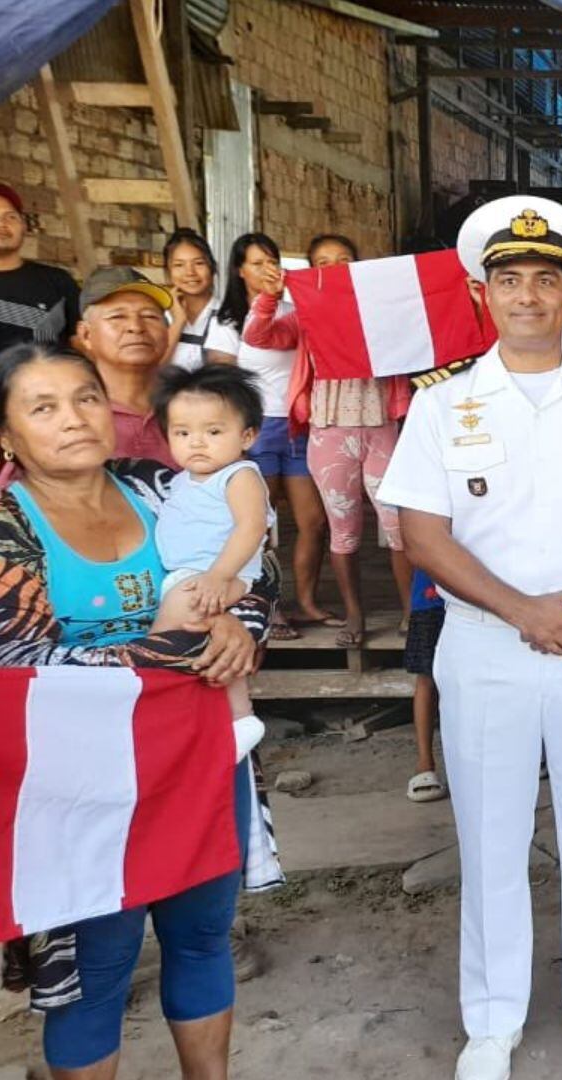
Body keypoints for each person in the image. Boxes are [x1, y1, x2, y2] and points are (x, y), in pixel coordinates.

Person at [379, 196, 562, 1080]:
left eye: (546, 280)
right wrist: (524, 611)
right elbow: (423, 536)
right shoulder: (443, 405)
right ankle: (493, 1019)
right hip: (482, 644)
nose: (528, 296)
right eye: (508, 280)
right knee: (492, 834)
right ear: (484, 295)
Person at [0, 342, 273, 1079]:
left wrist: (240, 625)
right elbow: (20, 662)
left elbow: (256, 561)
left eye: (86, 398)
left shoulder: (163, 484)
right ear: (7, 435)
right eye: (43, 407)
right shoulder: (5, 522)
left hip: (196, 758)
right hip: (76, 782)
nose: (73, 419)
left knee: (201, 937)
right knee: (95, 971)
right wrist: (183, 653)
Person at [249, 233, 411, 649]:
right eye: (322, 262)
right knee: (343, 532)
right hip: (330, 432)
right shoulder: (305, 315)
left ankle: (412, 612)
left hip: (380, 430)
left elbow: (419, 336)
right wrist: (268, 298)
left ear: (358, 268)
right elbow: (260, 337)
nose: (333, 268)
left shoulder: (380, 312)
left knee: (399, 527)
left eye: (343, 260)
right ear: (311, 272)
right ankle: (354, 614)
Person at [206, 232, 334, 636]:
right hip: (257, 430)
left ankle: (308, 602)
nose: (266, 269)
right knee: (258, 524)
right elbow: (222, 381)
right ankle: (268, 606)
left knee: (313, 522)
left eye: (272, 261)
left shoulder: (295, 310)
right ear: (240, 270)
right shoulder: (227, 320)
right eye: (257, 263)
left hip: (299, 425)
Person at [150, 362, 274, 764]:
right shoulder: (181, 479)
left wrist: (220, 576)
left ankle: (239, 717)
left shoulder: (239, 475)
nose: (196, 443)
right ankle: (217, 715)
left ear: (248, 435)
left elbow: (252, 526)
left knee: (165, 638)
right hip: (189, 575)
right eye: (182, 433)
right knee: (204, 640)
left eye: (214, 432)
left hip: (220, 574)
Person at [71, 267, 180, 467]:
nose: (136, 327)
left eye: (149, 316)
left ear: (167, 332)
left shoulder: (191, 404)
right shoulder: (70, 414)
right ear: (86, 335)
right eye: (117, 317)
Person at [0, 184, 80, 351]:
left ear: (23, 226)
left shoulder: (58, 281)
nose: (2, 224)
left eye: (11, 217)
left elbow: (83, 342)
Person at [402, 567, 448, 803]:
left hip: (488, 600)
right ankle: (425, 763)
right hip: (433, 598)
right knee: (426, 677)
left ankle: (516, 756)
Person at [161, 228, 222, 370]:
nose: (190, 272)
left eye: (199, 263)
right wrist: (178, 322)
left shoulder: (229, 316)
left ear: (212, 268)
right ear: (168, 272)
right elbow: (151, 371)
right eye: (179, 265)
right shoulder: (159, 318)